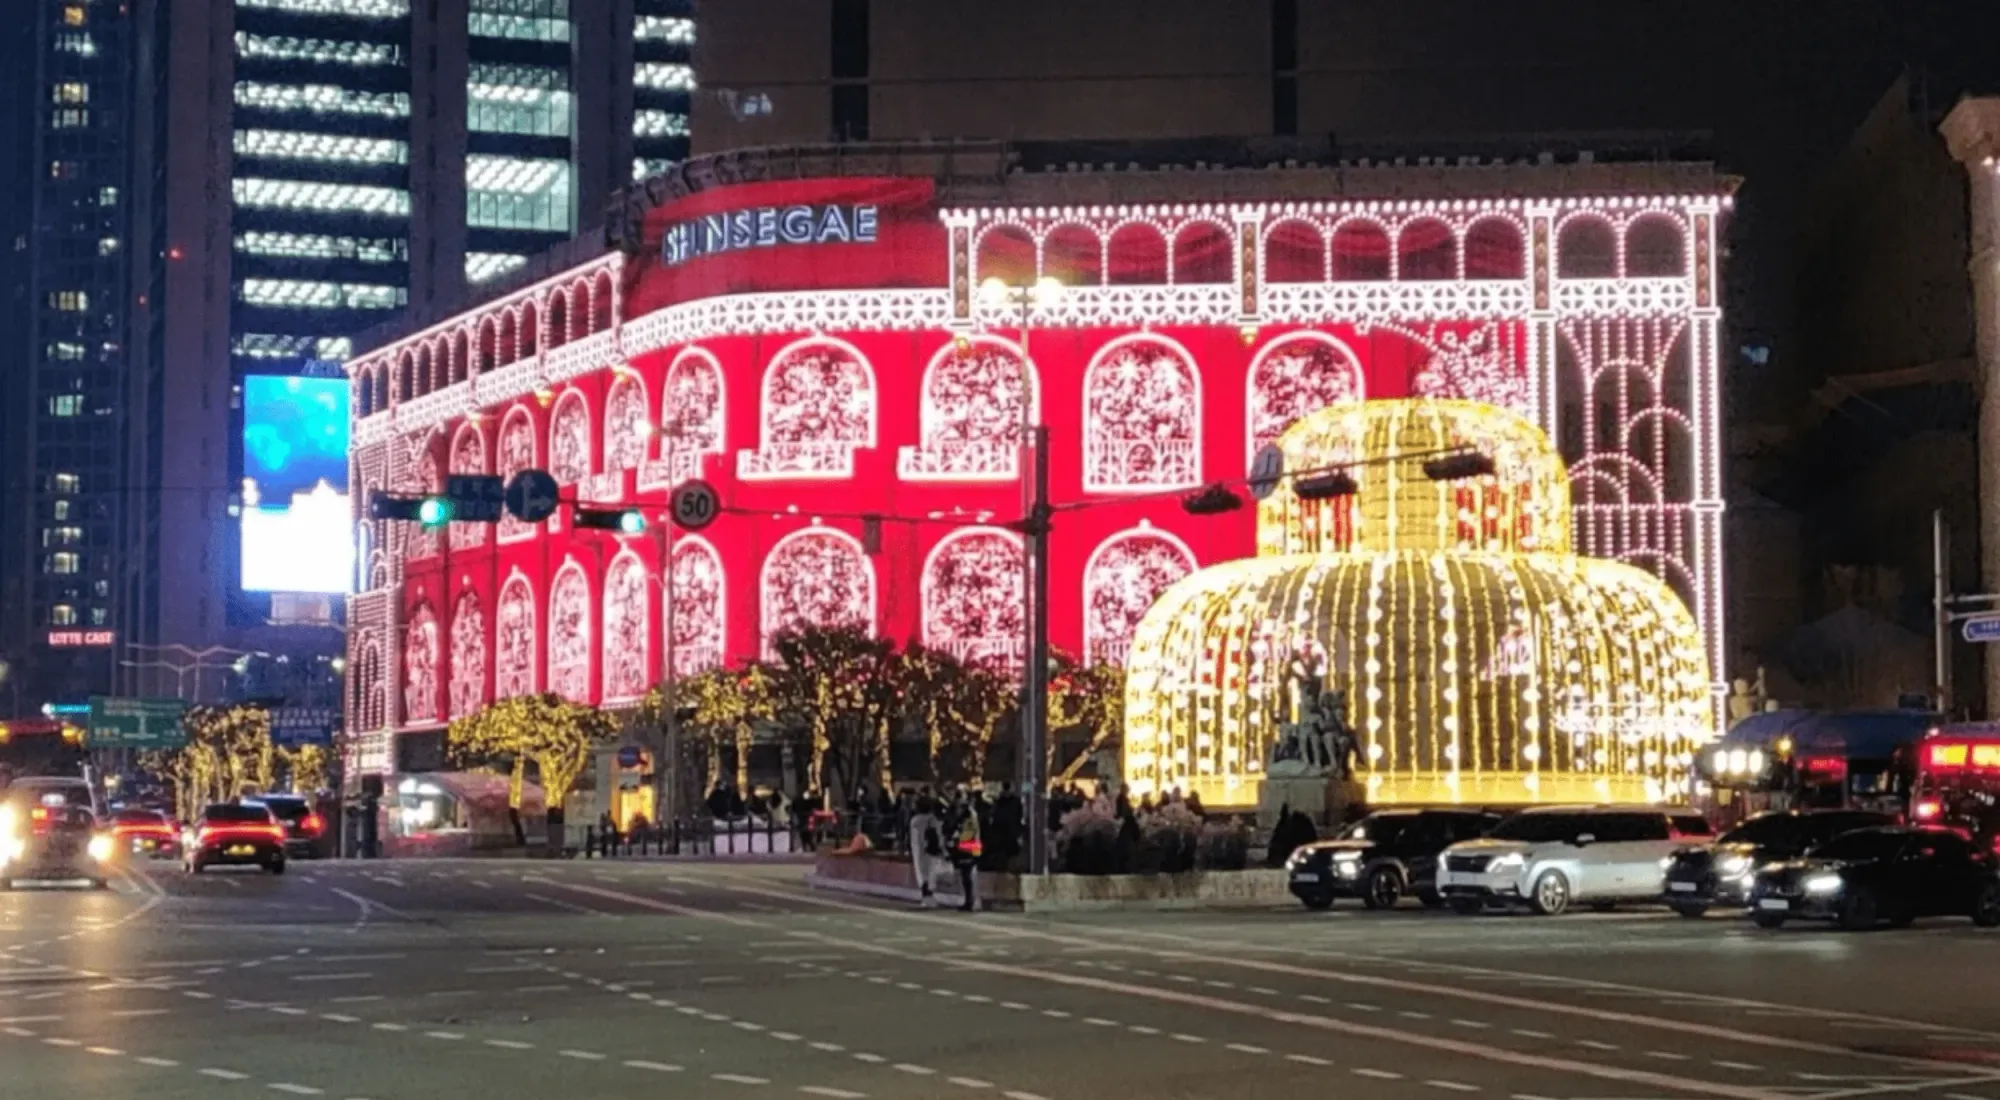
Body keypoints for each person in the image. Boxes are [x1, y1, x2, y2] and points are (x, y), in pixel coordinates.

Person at [946, 794, 983, 912]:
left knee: (968, 876)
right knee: (966, 876)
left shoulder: (969, 816)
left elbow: (969, 833)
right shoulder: (968, 815)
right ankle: (969, 901)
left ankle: (971, 901)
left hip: (969, 847)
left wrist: (956, 841)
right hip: (969, 846)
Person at [908, 796, 946, 909]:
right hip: (930, 850)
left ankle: (926, 897)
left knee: (921, 874)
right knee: (930, 874)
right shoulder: (932, 819)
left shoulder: (914, 820)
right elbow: (938, 835)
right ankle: (929, 897)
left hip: (917, 850)